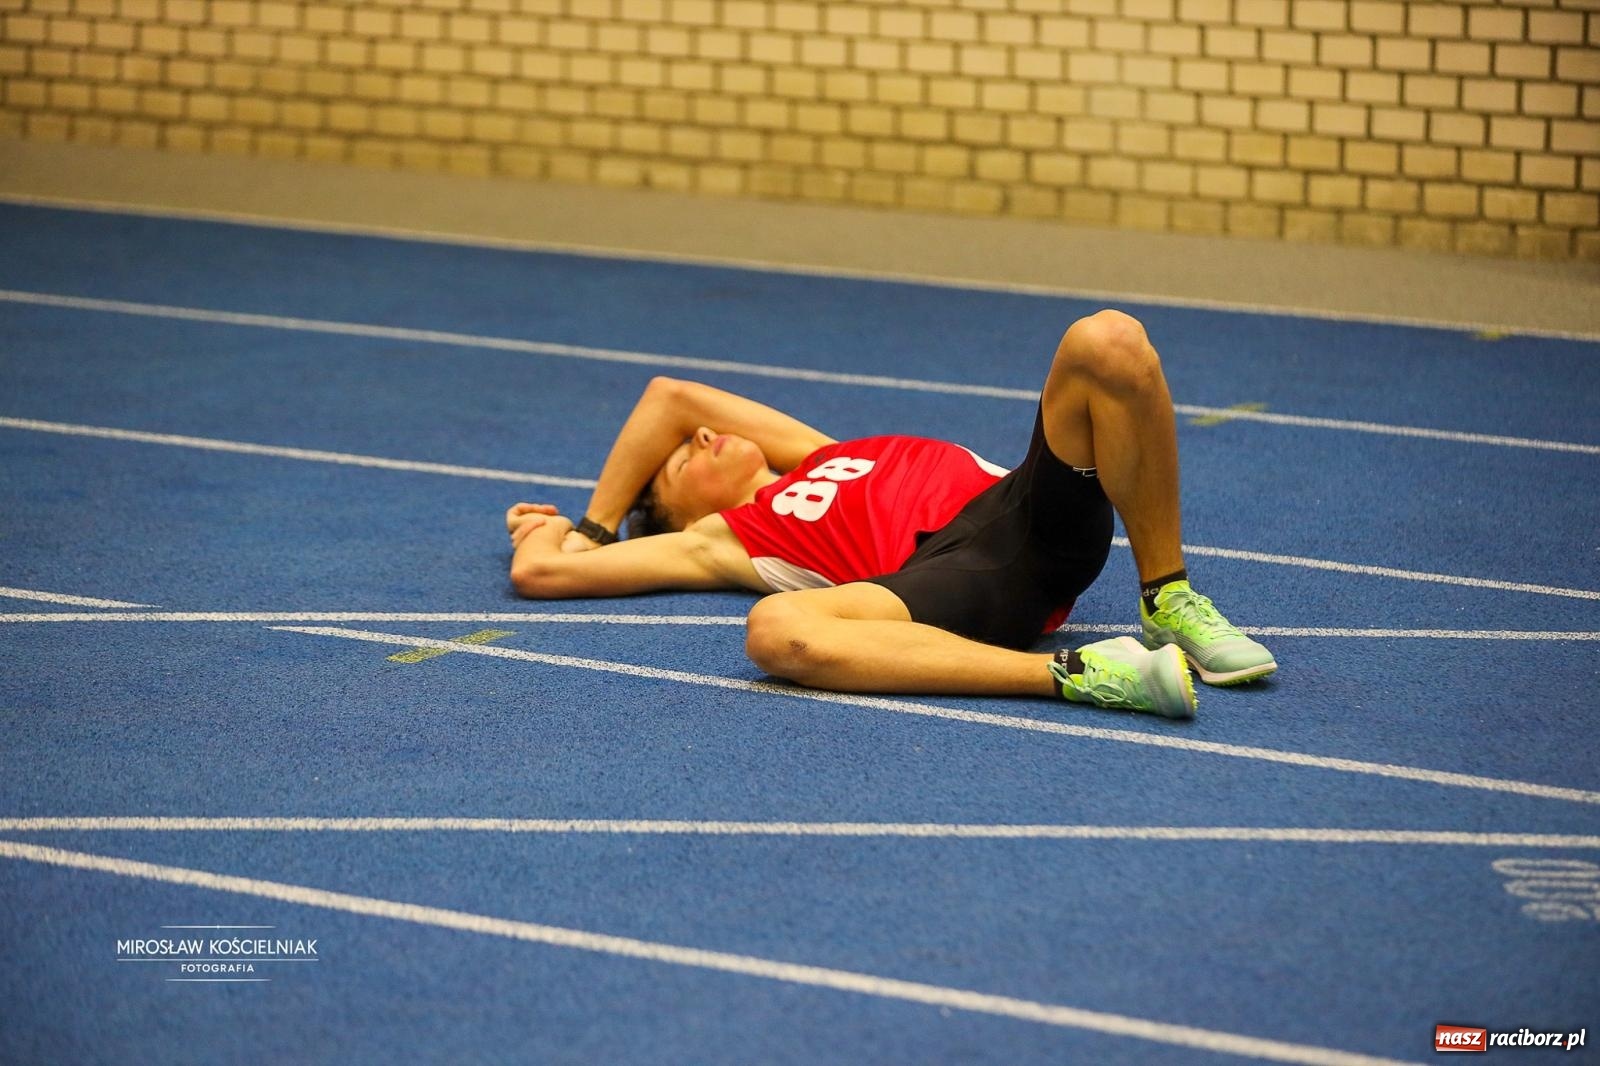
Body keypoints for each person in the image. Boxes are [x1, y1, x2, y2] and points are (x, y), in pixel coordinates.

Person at [504, 309, 1275, 719]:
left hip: (1022, 514)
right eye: (681, 461)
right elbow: (539, 571)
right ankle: (1084, 676)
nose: (702, 435)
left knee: (1106, 341)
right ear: (680, 513)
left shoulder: (811, 455)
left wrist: (594, 523)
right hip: (960, 573)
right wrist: (568, 533)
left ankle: (1166, 596)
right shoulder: (719, 541)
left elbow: (670, 395)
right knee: (776, 630)